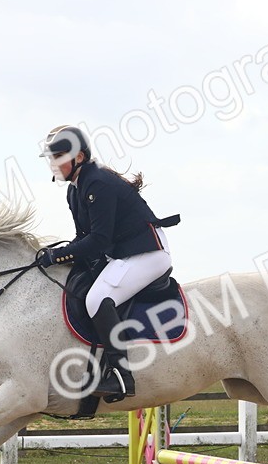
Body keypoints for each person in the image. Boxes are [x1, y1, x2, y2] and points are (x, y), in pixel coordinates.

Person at [36, 125, 179, 402]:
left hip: (147, 253)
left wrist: (59, 256)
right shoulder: (75, 190)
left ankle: (121, 375)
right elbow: (83, 237)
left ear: (78, 157)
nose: (53, 164)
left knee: (97, 298)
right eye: (51, 158)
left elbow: (98, 240)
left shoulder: (97, 183)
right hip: (123, 254)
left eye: (59, 157)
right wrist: (62, 254)